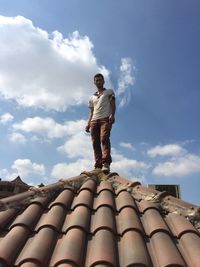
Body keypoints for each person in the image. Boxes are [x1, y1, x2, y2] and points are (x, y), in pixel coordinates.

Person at [85, 73, 116, 172]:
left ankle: (106, 163)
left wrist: (112, 114)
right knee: (95, 142)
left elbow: (113, 104)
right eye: (96, 80)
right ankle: (98, 164)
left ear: (103, 81)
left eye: (100, 80)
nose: (98, 81)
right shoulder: (91, 97)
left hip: (105, 119)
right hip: (94, 120)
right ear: (94, 82)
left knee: (104, 138)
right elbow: (91, 112)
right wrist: (88, 123)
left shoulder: (109, 92)